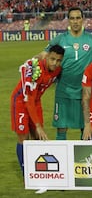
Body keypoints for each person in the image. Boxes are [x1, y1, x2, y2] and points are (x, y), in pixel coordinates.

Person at [36, 7, 92, 140]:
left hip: (85, 91)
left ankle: (85, 159)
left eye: (78, 18)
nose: (75, 21)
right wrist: (32, 63)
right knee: (61, 127)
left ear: (82, 19)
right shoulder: (60, 39)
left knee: (86, 128)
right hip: (63, 90)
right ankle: (62, 159)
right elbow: (44, 55)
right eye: (72, 18)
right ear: (68, 21)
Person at [11, 45, 65, 174]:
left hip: (36, 102)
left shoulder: (58, 70)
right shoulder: (36, 71)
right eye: (52, 59)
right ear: (46, 57)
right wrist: (38, 125)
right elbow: (28, 100)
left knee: (37, 137)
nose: (55, 63)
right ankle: (26, 174)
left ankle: (38, 172)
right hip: (21, 102)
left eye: (58, 60)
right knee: (24, 138)